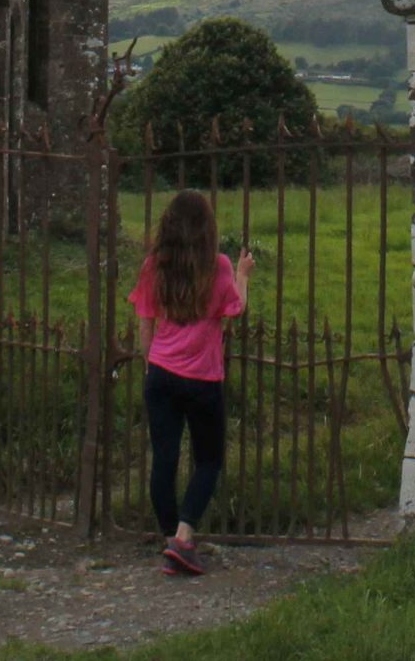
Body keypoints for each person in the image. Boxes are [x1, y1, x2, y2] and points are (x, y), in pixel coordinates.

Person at [129, 189, 252, 576]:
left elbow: (145, 323)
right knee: (209, 459)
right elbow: (235, 308)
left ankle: (171, 542)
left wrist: (150, 364)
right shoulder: (217, 267)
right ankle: (184, 536)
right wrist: (243, 273)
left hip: (162, 375)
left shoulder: (155, 266)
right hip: (202, 378)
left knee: (163, 460)